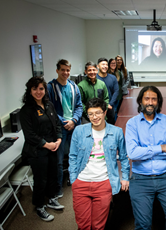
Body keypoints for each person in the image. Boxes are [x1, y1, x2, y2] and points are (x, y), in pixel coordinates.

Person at [125, 86, 166, 230]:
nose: (150, 102)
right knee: (143, 225)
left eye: (154, 99)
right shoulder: (132, 123)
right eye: (147, 99)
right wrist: (161, 148)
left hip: (165, 177)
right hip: (140, 179)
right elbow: (133, 154)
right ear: (140, 101)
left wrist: (144, 151)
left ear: (158, 102)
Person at [69, 98, 130, 229]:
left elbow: (124, 157)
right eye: (91, 114)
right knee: (83, 225)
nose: (94, 117)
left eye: (97, 113)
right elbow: (72, 156)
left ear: (104, 113)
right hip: (81, 183)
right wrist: (74, 179)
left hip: (103, 184)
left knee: (98, 226)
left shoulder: (116, 132)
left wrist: (125, 177)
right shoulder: (79, 131)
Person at [20, 76, 64, 221]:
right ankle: (39, 206)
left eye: (41, 88)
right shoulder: (26, 111)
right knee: (41, 180)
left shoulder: (49, 105)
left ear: (45, 90)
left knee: (52, 175)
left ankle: (51, 198)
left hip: (53, 146)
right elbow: (30, 135)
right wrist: (47, 144)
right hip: (37, 151)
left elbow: (57, 123)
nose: (38, 92)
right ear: (30, 91)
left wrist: (58, 139)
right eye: (35, 89)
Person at [47, 59, 82, 197]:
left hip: (74, 126)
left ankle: (75, 182)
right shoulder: (51, 87)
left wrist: (73, 120)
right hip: (60, 128)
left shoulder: (74, 86)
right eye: (63, 70)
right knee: (59, 160)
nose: (65, 73)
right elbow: (50, 108)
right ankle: (58, 189)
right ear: (57, 70)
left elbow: (79, 105)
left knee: (76, 155)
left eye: (68, 70)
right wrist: (64, 122)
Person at [97, 57, 119, 125]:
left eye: (106, 65)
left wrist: (110, 104)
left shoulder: (113, 78)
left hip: (110, 107)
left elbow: (116, 91)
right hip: (98, 108)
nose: (105, 66)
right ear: (98, 66)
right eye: (103, 64)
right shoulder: (95, 78)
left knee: (111, 126)